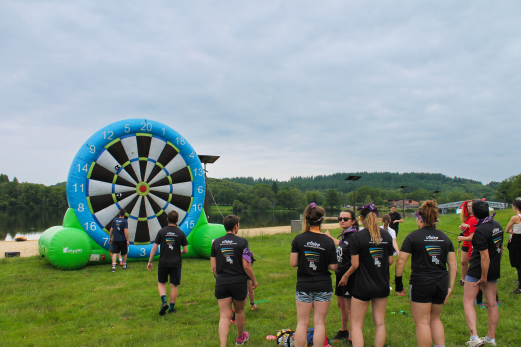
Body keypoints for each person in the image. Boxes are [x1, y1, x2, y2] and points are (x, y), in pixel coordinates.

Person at [395, 200, 457, 347]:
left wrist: (398, 284)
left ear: (419, 219)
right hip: (441, 282)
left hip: (421, 283)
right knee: (435, 319)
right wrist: (450, 286)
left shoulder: (412, 237)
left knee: (422, 323)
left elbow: (400, 263)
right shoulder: (445, 237)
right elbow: (453, 264)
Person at [341, 203, 394, 347]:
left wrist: (345, 276)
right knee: (380, 323)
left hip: (362, 286)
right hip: (381, 284)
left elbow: (355, 264)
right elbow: (390, 261)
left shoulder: (357, 237)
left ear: (362, 218)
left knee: (357, 325)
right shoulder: (386, 235)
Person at [291, 203, 337, 347]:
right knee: (319, 323)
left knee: (302, 323)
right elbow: (334, 267)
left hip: (304, 285)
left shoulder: (299, 239)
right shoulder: (328, 241)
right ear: (322, 220)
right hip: (323, 285)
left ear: (306, 219)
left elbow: (293, 263)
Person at [211, 215, 258, 346]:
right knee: (239, 311)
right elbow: (246, 265)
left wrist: (219, 278)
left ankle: (223, 345)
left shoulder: (216, 243)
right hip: (238, 282)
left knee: (224, 316)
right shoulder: (243, 242)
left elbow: (213, 267)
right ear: (236, 226)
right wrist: (253, 280)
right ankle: (240, 338)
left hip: (221, 282)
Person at [463, 200, 504, 346]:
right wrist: (494, 267)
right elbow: (501, 248)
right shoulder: (497, 225)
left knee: (468, 302)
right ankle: (490, 338)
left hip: (478, 270)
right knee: (492, 303)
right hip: (493, 268)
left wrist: (483, 278)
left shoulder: (480, 230)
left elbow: (484, 257)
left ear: (474, 213)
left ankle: (474, 338)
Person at [324, 209, 359, 345]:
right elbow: (343, 246)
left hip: (349, 275)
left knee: (350, 307)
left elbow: (352, 252)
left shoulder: (355, 236)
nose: (342, 221)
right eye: (340, 219)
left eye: (345, 219)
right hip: (340, 274)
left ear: (353, 221)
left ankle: (352, 335)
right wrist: (331, 238)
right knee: (340, 304)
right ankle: (343, 330)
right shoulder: (345, 236)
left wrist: (329, 238)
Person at [147, 210, 188, 316]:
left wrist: (150, 261)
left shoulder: (161, 232)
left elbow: (154, 248)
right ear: (177, 220)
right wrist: (179, 251)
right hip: (176, 262)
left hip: (163, 262)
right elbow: (186, 250)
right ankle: (171, 308)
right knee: (174, 285)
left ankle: (164, 301)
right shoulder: (181, 233)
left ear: (167, 219)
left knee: (161, 283)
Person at [457, 200, 477, 286]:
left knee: (472, 262)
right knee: (463, 262)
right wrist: (463, 228)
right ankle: (463, 279)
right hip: (466, 242)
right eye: (468, 206)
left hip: (472, 243)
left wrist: (467, 226)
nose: (470, 208)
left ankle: (471, 279)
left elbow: (476, 228)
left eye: (471, 206)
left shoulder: (476, 218)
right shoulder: (467, 218)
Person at [506, 199, 521, 294]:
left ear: (515, 206)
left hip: (517, 241)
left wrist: (511, 230)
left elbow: (507, 229)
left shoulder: (515, 218)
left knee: (518, 263)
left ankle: (520, 288)